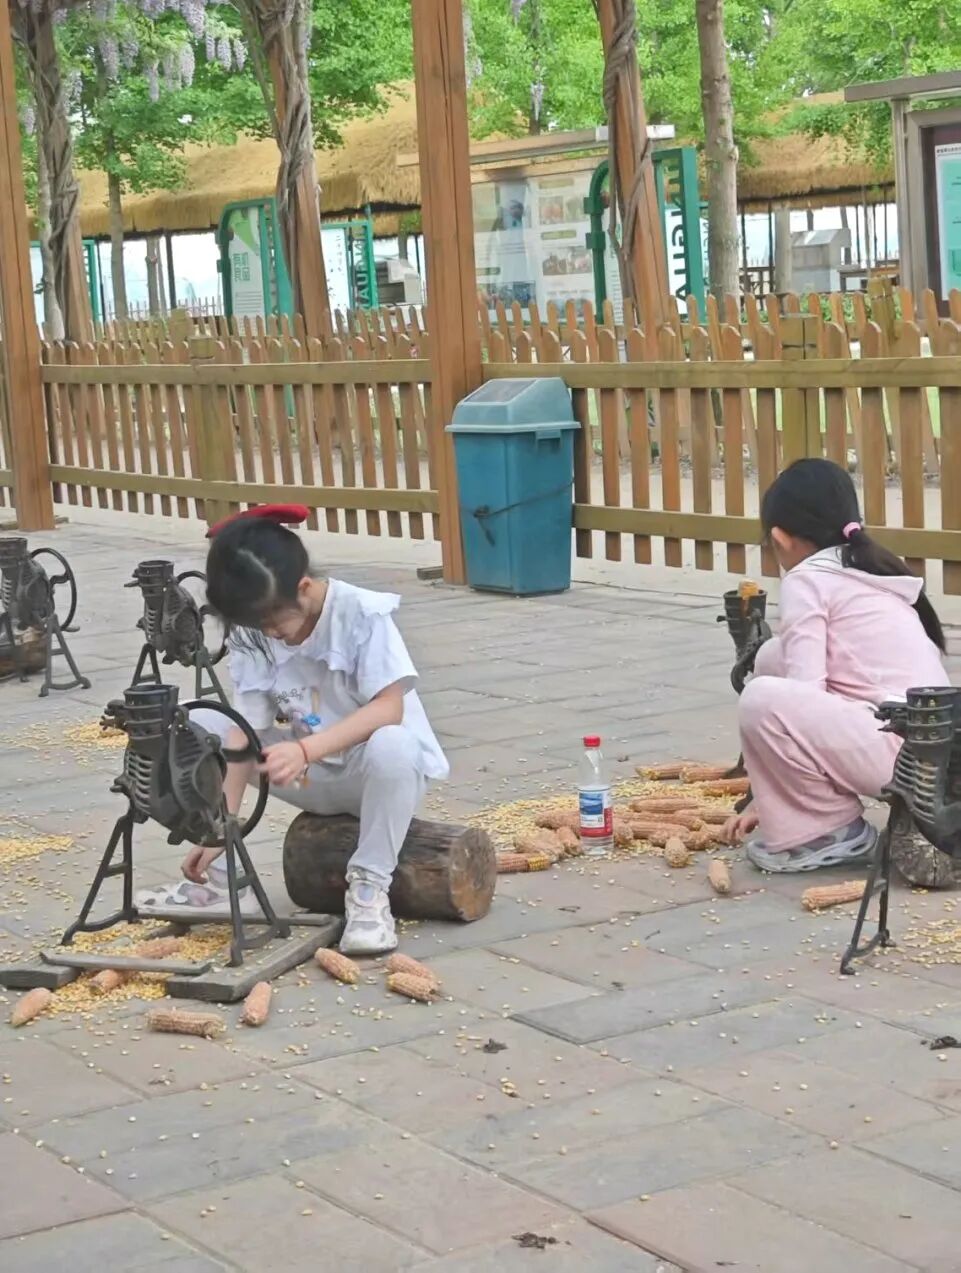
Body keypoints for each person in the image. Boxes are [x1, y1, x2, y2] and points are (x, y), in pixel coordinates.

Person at [135, 504, 449, 954]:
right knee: (196, 721)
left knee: (395, 744)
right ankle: (225, 883)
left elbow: (388, 708)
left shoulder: (361, 613)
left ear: (303, 588)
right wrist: (220, 829)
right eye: (256, 625)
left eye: (273, 621)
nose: (269, 633)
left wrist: (306, 750)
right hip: (303, 775)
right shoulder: (252, 633)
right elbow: (243, 734)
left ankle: (369, 888)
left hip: (371, 775)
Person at [726, 459, 954, 885]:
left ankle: (828, 834)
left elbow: (804, 691)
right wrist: (768, 797)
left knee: (761, 698)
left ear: (779, 539)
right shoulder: (867, 568)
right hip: (935, 756)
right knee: (773, 656)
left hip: (899, 762)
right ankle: (812, 817)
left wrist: (774, 789)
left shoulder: (807, 579)